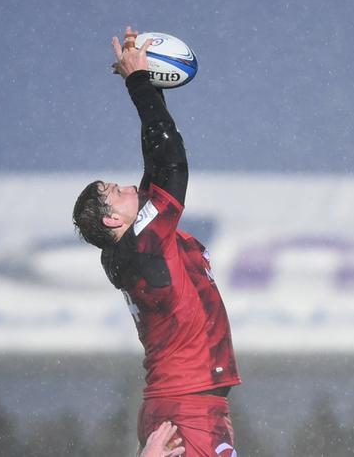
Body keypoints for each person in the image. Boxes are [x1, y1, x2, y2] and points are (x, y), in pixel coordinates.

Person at [72, 26, 241, 456]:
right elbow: (171, 162)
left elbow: (158, 157)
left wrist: (143, 74)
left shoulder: (139, 241)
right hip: (188, 406)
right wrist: (137, 83)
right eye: (118, 191)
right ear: (112, 218)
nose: (131, 187)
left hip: (185, 402)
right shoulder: (142, 244)